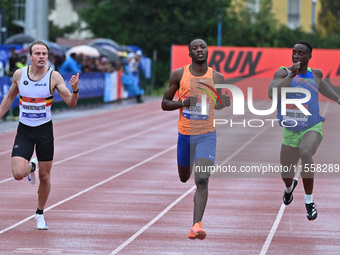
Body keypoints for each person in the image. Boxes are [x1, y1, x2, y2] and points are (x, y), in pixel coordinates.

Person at [0, 40, 80, 230]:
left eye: (44, 53)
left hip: (44, 131)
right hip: (25, 130)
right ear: (30, 57)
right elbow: (10, 97)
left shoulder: (54, 77)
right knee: (18, 173)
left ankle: (39, 213)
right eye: (38, 54)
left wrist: (75, 90)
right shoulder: (20, 75)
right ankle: (31, 165)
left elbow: (70, 102)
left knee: (45, 177)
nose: (42, 57)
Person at [161, 38, 230, 239]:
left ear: (208, 51)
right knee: (184, 177)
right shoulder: (179, 74)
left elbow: (217, 104)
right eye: (195, 48)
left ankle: (196, 225)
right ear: (189, 54)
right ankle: (195, 223)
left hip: (207, 135)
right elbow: (165, 103)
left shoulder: (216, 76)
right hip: (185, 134)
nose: (199, 50)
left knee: (201, 179)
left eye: (203, 47)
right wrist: (183, 103)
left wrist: (223, 102)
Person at [268, 41, 340, 221]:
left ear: (309, 56)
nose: (296, 56)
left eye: (301, 53)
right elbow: (271, 93)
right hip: (290, 130)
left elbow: (322, 87)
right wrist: (290, 76)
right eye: (294, 52)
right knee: (286, 174)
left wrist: (338, 99)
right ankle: (289, 187)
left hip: (312, 126)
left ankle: (309, 201)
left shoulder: (315, 74)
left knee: (306, 151)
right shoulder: (282, 73)